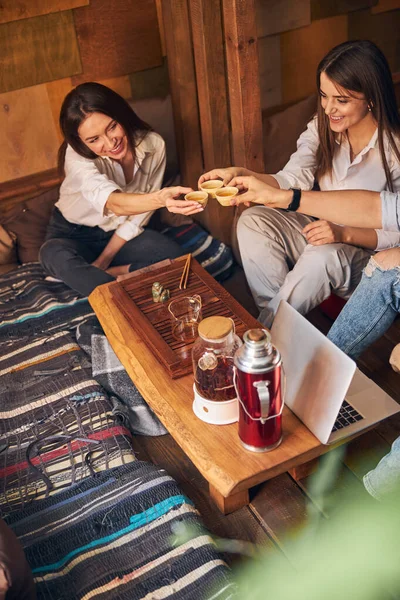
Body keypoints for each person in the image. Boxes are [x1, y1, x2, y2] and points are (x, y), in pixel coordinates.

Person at [199, 40, 400, 328]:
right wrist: (245, 176)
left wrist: (345, 233)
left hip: (368, 260)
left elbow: (397, 234)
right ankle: (274, 328)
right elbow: (291, 179)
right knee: (253, 219)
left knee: (323, 255)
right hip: (321, 231)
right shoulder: (323, 127)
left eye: (341, 100)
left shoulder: (393, 151)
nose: (329, 108)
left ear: (370, 98)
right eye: (323, 95)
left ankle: (263, 332)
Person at [40, 82, 201, 297]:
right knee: (52, 255)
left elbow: (138, 216)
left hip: (119, 236)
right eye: (94, 139)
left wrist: (104, 260)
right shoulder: (76, 157)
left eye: (112, 126)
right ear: (80, 143)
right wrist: (161, 199)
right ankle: (114, 289)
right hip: (73, 234)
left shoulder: (153, 145)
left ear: (121, 114)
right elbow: (113, 202)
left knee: (175, 256)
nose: (110, 142)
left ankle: (107, 275)